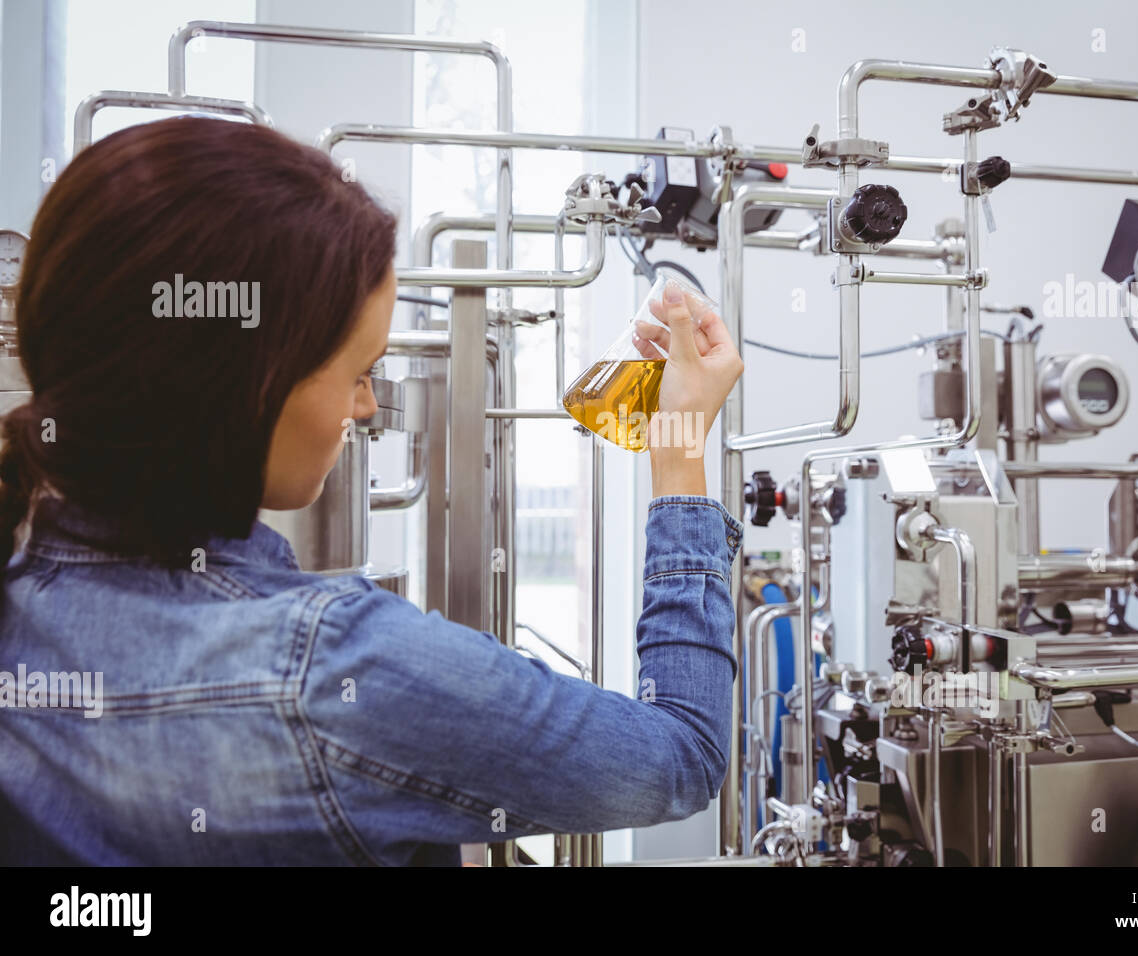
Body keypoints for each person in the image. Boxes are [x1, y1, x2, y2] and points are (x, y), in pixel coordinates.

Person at [0, 117, 744, 865]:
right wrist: (678, 448)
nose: (365, 408)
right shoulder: (337, 671)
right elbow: (679, 754)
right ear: (244, 391)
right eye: (358, 371)